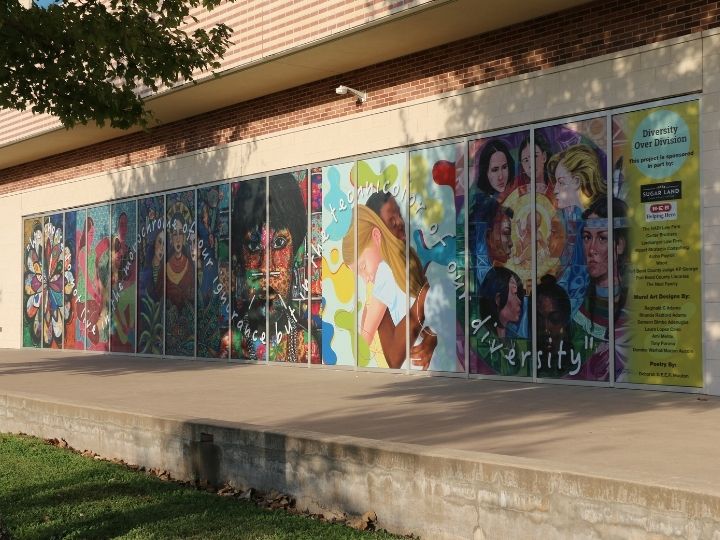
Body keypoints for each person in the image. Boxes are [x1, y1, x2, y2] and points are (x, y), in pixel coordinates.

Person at [232, 174, 317, 363]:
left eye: (279, 243)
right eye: (254, 247)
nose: (266, 267)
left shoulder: (308, 347)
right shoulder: (230, 343)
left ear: (296, 253)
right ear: (240, 257)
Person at [342, 205, 430, 369]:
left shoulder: (384, 272)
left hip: (412, 360)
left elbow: (363, 343)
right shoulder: (402, 263)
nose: (366, 278)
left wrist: (355, 324)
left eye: (363, 267)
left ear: (376, 236)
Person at [365, 191, 437, 368]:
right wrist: (424, 297)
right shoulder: (385, 270)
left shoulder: (410, 260)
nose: (401, 222)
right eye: (392, 220)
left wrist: (432, 336)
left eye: (399, 215)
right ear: (377, 234)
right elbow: (394, 358)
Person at [571, 197, 629, 381]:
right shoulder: (578, 308)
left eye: (602, 238)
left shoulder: (633, 308)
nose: (592, 249)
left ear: (619, 245)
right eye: (587, 237)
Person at [533, 274, 572, 377]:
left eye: (554, 320)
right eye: (539, 319)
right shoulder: (530, 358)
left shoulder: (574, 360)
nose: (546, 329)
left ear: (565, 320)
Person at [478, 266, 524, 339]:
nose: (519, 301)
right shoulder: (482, 340)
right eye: (515, 293)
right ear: (498, 299)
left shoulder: (513, 339)